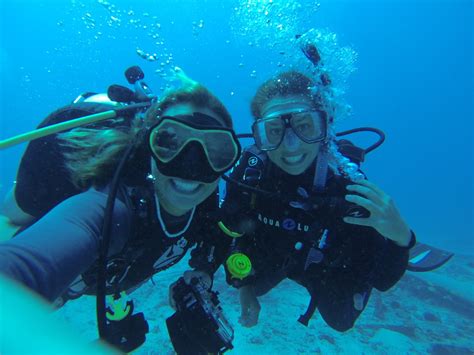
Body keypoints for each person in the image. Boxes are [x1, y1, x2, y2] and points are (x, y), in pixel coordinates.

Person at [0, 71, 240, 351]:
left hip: (114, 280)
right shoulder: (109, 208)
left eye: (216, 150)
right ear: (147, 147)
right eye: (169, 142)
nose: (191, 166)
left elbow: (215, 237)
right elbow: (17, 273)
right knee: (14, 213)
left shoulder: (205, 206)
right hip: (75, 269)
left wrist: (204, 272)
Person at [217, 70, 416, 332]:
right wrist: (244, 286)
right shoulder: (250, 175)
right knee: (251, 281)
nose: (290, 146)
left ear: (325, 128)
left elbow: (383, 279)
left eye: (304, 126)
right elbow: (232, 233)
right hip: (276, 254)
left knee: (341, 320)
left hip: (326, 267)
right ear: (259, 135)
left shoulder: (345, 183)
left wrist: (401, 238)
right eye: (274, 130)